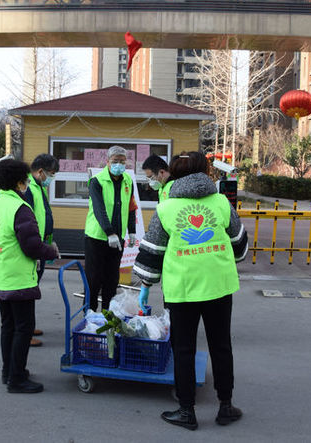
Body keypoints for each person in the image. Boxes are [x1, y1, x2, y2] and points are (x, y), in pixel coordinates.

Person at [134, 151, 248, 431]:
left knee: (183, 349)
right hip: (219, 285)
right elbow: (240, 245)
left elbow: (152, 253)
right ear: (205, 171)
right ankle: (225, 407)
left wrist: (146, 285)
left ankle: (187, 411)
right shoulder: (221, 202)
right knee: (221, 346)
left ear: (173, 174)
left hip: (181, 289)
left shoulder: (166, 209)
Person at [0, 159, 59, 393]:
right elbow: (32, 246)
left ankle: (9, 372)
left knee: (8, 325)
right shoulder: (20, 209)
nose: (27, 183)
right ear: (19, 182)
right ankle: (17, 378)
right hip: (18, 276)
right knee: (23, 328)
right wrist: (52, 251)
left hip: (1, 274)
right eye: (25, 180)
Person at [84, 145, 137, 312]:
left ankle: (108, 315)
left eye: (122, 161)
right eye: (115, 161)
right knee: (94, 280)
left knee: (111, 280)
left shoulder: (128, 180)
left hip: (118, 239)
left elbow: (130, 207)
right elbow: (99, 210)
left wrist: (132, 230)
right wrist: (109, 232)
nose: (119, 165)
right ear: (107, 162)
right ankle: (89, 314)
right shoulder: (96, 181)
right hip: (97, 238)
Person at [22, 153, 60, 347]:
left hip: (41, 243)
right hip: (34, 246)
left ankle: (29, 326)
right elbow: (27, 220)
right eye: (51, 174)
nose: (51, 178)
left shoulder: (38, 187)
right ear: (40, 171)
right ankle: (25, 332)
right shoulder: (29, 188)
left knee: (34, 287)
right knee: (29, 290)